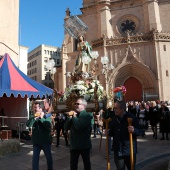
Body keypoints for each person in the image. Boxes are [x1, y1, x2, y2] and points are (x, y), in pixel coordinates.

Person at [108, 100, 143, 170]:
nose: (114, 110)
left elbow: (141, 131)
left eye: (116, 108)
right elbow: (112, 132)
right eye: (114, 108)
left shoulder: (131, 118)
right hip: (118, 150)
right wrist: (108, 132)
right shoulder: (114, 119)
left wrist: (134, 130)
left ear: (122, 109)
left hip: (129, 151)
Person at [64, 98, 92, 170]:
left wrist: (74, 117)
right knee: (73, 165)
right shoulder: (74, 115)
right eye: (75, 104)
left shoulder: (86, 115)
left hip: (84, 145)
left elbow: (79, 126)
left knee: (86, 164)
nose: (76, 105)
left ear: (84, 106)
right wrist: (69, 118)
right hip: (74, 145)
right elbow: (65, 127)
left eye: (78, 104)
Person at [26, 102, 53, 170]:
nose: (34, 109)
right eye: (34, 107)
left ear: (41, 108)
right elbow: (28, 124)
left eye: (36, 107)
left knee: (48, 158)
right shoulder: (33, 116)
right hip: (36, 142)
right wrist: (34, 119)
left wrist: (41, 118)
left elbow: (48, 126)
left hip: (45, 141)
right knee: (35, 159)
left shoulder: (47, 116)